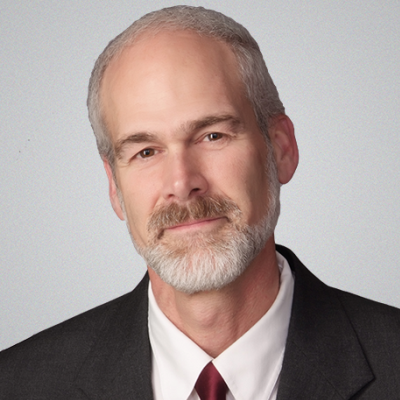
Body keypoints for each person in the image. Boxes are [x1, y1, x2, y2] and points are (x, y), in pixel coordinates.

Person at [1, 5, 400, 400]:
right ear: (114, 186)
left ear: (281, 149)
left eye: (212, 136)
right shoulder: (17, 385)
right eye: (145, 151)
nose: (182, 183)